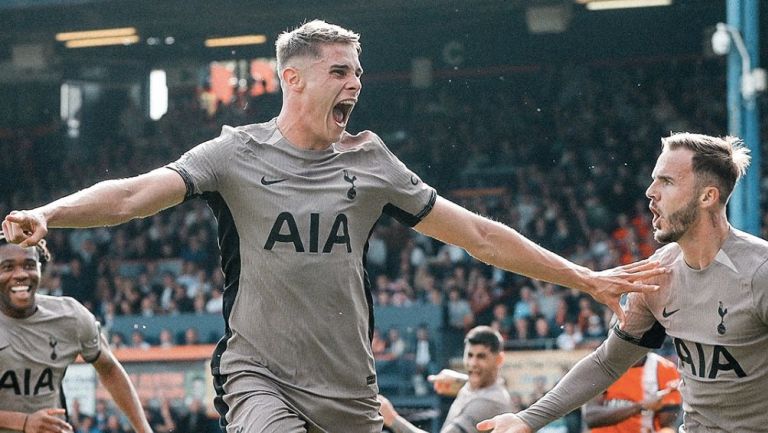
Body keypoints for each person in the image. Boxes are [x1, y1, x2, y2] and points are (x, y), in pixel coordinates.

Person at [2, 20, 662, 433]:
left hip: (349, 386)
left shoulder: (371, 161)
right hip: (258, 371)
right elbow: (136, 195)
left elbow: (479, 235)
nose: (356, 83)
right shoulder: (234, 154)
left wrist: (581, 276)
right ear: (292, 79)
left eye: (358, 71)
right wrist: (49, 212)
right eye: (339, 71)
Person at [477, 133, 768, 433]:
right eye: (654, 180)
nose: (650, 191)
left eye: (666, 181)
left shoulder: (759, 274)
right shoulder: (657, 274)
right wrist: (528, 418)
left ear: (708, 196)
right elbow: (607, 363)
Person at [0, 236, 152, 433]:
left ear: (40, 268)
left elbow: (110, 369)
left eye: (29, 265)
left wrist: (144, 430)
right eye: (7, 267)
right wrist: (24, 422)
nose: (20, 274)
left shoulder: (70, 316)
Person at [378, 326, 512, 433]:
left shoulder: (489, 402)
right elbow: (478, 387)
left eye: (481, 357)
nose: (473, 363)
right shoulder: (479, 387)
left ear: (499, 359)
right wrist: (460, 380)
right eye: (469, 355)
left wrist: (392, 419)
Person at [583, 354, 681, 433]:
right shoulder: (602, 365)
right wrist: (640, 406)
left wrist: (665, 400)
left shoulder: (665, 368)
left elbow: (667, 423)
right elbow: (591, 417)